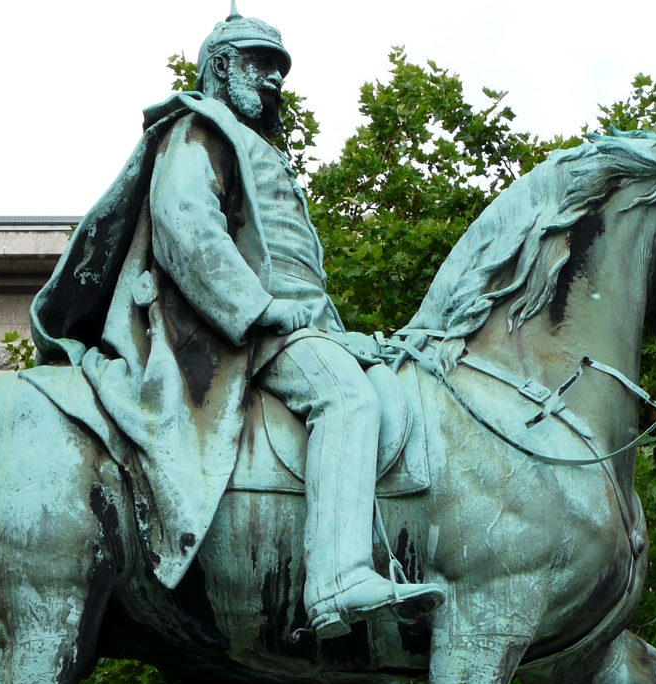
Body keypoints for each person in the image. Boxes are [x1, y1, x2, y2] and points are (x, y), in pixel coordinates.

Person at [30, 4, 445, 639]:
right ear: (222, 67)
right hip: (238, 333)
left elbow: (297, 269)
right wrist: (259, 309)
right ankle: (337, 577)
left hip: (297, 328)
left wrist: (335, 331)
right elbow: (187, 229)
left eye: (280, 69)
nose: (276, 80)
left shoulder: (262, 154)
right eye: (261, 65)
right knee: (346, 397)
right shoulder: (197, 131)